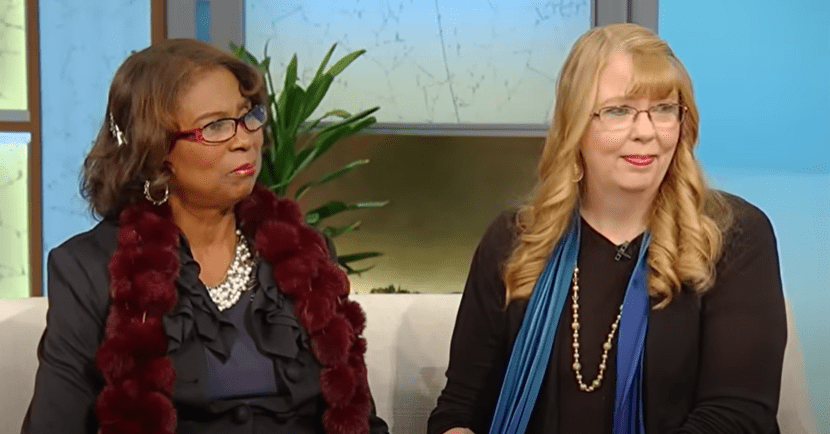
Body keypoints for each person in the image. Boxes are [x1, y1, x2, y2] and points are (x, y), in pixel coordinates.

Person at [428, 23, 786, 434]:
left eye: (664, 109)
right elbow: (457, 410)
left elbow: (738, 417)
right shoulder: (514, 240)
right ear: (575, 126)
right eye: (619, 110)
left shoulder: (734, 236)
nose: (646, 132)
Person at [23, 38, 388, 434]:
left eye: (249, 116)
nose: (245, 138)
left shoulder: (306, 257)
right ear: (155, 148)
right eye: (215, 126)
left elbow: (361, 421)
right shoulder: (90, 269)